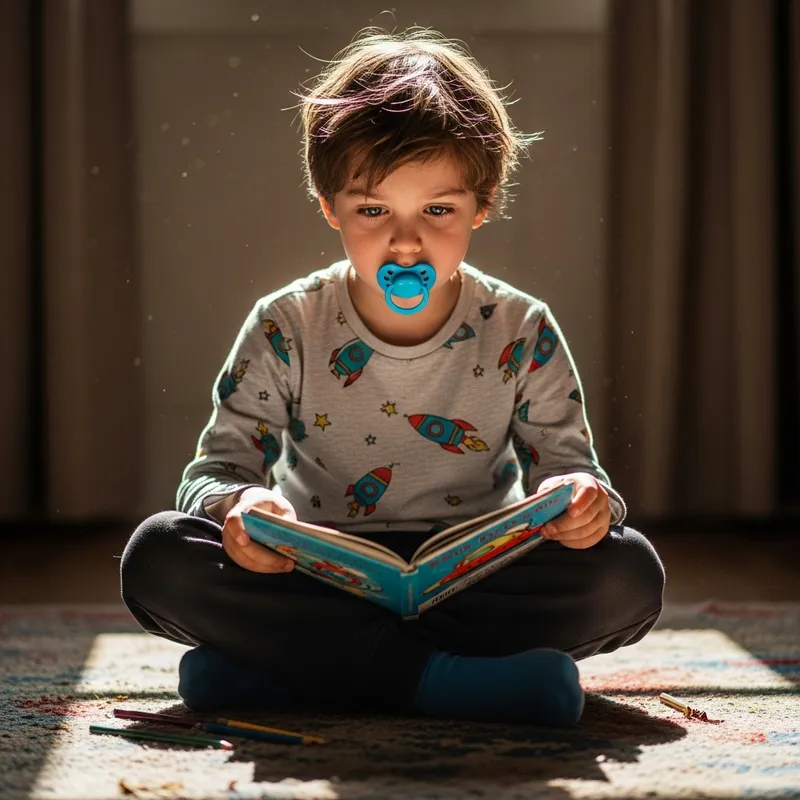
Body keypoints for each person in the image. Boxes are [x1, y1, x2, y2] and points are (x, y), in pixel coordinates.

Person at [120, 27, 665, 727]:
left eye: (438, 211)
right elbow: (212, 473)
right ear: (330, 207)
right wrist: (239, 509)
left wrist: (582, 502)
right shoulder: (287, 322)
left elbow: (572, 474)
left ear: (483, 204)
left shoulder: (522, 327)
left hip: (471, 580)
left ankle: (296, 671)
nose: (405, 242)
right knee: (158, 557)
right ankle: (438, 681)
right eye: (373, 211)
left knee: (630, 572)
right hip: (316, 574)